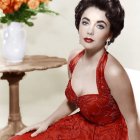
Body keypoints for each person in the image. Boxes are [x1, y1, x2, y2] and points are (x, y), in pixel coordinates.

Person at [10, 0, 140, 139]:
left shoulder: (112, 71)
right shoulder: (73, 58)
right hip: (82, 126)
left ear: (109, 34)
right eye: (85, 22)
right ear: (78, 25)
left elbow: (132, 121)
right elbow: (73, 101)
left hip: (110, 134)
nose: (90, 31)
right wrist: (46, 122)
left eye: (100, 26)